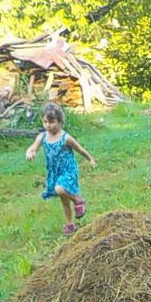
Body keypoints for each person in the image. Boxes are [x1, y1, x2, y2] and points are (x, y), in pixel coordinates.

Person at [25, 100, 96, 236]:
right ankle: (70, 224)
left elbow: (80, 149)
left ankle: (77, 200)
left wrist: (90, 159)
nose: (48, 125)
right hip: (54, 172)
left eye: (52, 122)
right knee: (64, 200)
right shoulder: (42, 137)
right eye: (45, 122)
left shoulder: (65, 138)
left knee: (59, 189)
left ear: (60, 121)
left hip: (68, 170)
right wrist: (30, 152)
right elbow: (33, 147)